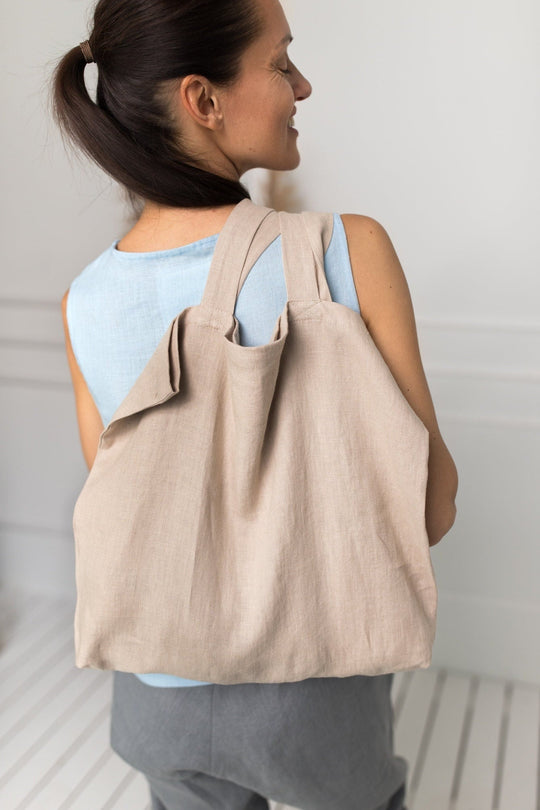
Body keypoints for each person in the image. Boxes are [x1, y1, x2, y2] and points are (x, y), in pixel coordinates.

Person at [50, 0, 458, 808]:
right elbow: (430, 509)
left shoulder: (83, 301)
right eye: (281, 63)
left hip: (152, 699)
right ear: (203, 100)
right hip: (313, 696)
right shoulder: (347, 250)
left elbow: (126, 511)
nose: (302, 85)